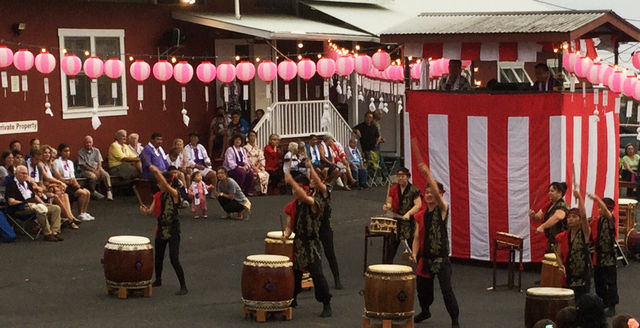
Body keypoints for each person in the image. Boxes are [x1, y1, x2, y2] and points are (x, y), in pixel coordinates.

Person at [410, 162, 460, 327]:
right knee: (423, 290)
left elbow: (438, 198)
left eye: (433, 192)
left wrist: (427, 174)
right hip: (425, 259)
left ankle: (454, 319)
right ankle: (425, 310)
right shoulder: (421, 215)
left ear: (438, 194)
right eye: (427, 191)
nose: (429, 194)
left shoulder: (443, 210)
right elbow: (417, 237)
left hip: (441, 259)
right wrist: (414, 252)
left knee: (446, 290)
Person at [282, 173, 332, 317]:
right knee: (295, 274)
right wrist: (286, 234)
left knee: (317, 274)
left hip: (311, 243)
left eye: (296, 189)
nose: (294, 192)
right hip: (298, 243)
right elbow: (289, 225)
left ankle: (326, 303)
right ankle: (293, 299)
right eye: (293, 190)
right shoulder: (292, 206)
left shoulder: (313, 202)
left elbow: (304, 197)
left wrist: (291, 181)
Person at [139, 165, 188, 296]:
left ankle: (183, 285)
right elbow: (150, 212)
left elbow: (166, 186)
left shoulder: (175, 194)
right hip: (161, 228)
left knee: (174, 258)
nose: (159, 185)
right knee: (158, 256)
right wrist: (145, 210)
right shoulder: (158, 196)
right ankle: (158, 279)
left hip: (172, 229)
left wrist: (156, 171)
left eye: (160, 182)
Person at [305, 160, 342, 289]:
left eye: (313, 180)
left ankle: (337, 278)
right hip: (313, 227)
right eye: (310, 181)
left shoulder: (325, 190)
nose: (311, 182)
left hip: (325, 227)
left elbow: (319, 183)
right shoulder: (309, 194)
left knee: (329, 253)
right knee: (311, 254)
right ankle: (312, 280)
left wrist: (311, 167)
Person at [5, 165, 63, 242]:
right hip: (21, 208)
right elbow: (11, 201)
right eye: (23, 173)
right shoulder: (11, 185)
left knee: (56, 208)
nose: (25, 175)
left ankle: (54, 232)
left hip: (34, 205)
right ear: (16, 174)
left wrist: (43, 203)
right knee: (39, 209)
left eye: (26, 173)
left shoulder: (27, 184)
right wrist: (25, 203)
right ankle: (47, 234)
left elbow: (34, 196)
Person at [554, 190, 591, 302]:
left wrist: (580, 199)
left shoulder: (585, 233)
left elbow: (584, 217)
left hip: (582, 275)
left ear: (579, 220)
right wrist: (561, 266)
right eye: (569, 217)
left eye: (574, 217)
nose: (570, 219)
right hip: (568, 274)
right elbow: (558, 254)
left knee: (581, 301)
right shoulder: (564, 236)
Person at [382, 167, 422, 264]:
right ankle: (387, 267)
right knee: (391, 246)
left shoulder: (414, 190)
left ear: (407, 177)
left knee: (413, 243)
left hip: (409, 222)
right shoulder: (393, 189)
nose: (400, 178)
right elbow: (390, 203)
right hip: (396, 221)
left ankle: (422, 265)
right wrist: (387, 206)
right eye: (398, 176)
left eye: (402, 176)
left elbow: (418, 205)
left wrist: (408, 213)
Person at [588, 194, 619, 317]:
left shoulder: (611, 220)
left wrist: (597, 199)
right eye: (599, 207)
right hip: (598, 256)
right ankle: (603, 302)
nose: (599, 210)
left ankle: (612, 305)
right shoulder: (597, 221)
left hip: (609, 257)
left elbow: (606, 212)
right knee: (598, 282)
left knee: (610, 282)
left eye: (602, 208)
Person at [39, 145, 79, 228]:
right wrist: (60, 183)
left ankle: (70, 216)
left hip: (51, 185)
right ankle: (69, 218)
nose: (47, 154)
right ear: (41, 154)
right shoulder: (40, 164)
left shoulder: (48, 165)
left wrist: (58, 183)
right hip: (46, 188)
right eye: (45, 152)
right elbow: (47, 178)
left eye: (49, 153)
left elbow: (53, 177)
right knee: (58, 194)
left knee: (65, 195)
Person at [54, 144, 94, 222]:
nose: (67, 153)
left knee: (87, 192)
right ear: (60, 152)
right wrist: (66, 181)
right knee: (82, 193)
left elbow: (72, 175)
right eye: (65, 151)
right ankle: (80, 214)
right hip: (64, 183)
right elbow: (57, 176)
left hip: (71, 182)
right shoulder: (56, 162)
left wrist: (75, 183)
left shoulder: (70, 162)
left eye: (68, 151)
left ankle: (84, 212)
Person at [530, 182, 569, 252]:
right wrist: (533, 215)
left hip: (561, 241)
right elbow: (538, 217)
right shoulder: (548, 205)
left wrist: (543, 226)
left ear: (559, 193)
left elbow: (557, 217)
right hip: (552, 242)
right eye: (549, 191)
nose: (549, 193)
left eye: (552, 191)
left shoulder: (562, 205)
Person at [78, 135, 112, 201]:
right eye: (87, 142)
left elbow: (99, 162)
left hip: (97, 168)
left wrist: (98, 170)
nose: (88, 144)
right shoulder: (80, 152)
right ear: (84, 143)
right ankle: (93, 192)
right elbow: (83, 165)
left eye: (90, 142)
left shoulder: (96, 150)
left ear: (92, 143)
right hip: (86, 170)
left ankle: (109, 191)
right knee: (92, 176)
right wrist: (94, 171)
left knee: (106, 175)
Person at [244, 130, 269, 195]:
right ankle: (252, 189)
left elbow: (261, 158)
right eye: (251, 136)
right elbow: (246, 159)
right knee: (256, 174)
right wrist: (253, 166)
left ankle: (262, 191)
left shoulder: (258, 147)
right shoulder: (245, 148)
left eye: (254, 136)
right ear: (248, 137)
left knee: (265, 174)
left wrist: (258, 166)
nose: (252, 137)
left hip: (258, 165)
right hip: (250, 166)